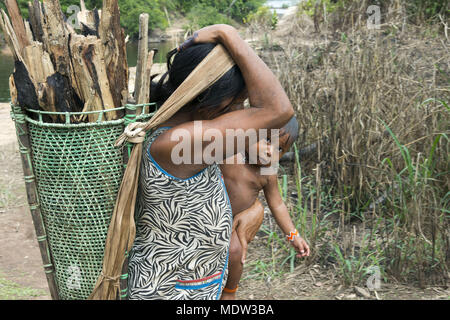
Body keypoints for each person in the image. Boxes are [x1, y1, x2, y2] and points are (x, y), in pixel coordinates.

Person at [127, 24, 294, 300]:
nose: (241, 113)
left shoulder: (183, 130)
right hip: (168, 291)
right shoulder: (181, 142)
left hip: (188, 285)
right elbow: (278, 110)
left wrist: (254, 209)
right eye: (237, 103)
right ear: (208, 100)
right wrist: (227, 33)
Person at [219, 116, 311, 300]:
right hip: (211, 215)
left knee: (236, 253)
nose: (270, 151)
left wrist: (294, 235)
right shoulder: (230, 153)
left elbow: (277, 204)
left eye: (279, 149)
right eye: (267, 140)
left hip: (234, 225)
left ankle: (230, 292)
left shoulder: (268, 172)